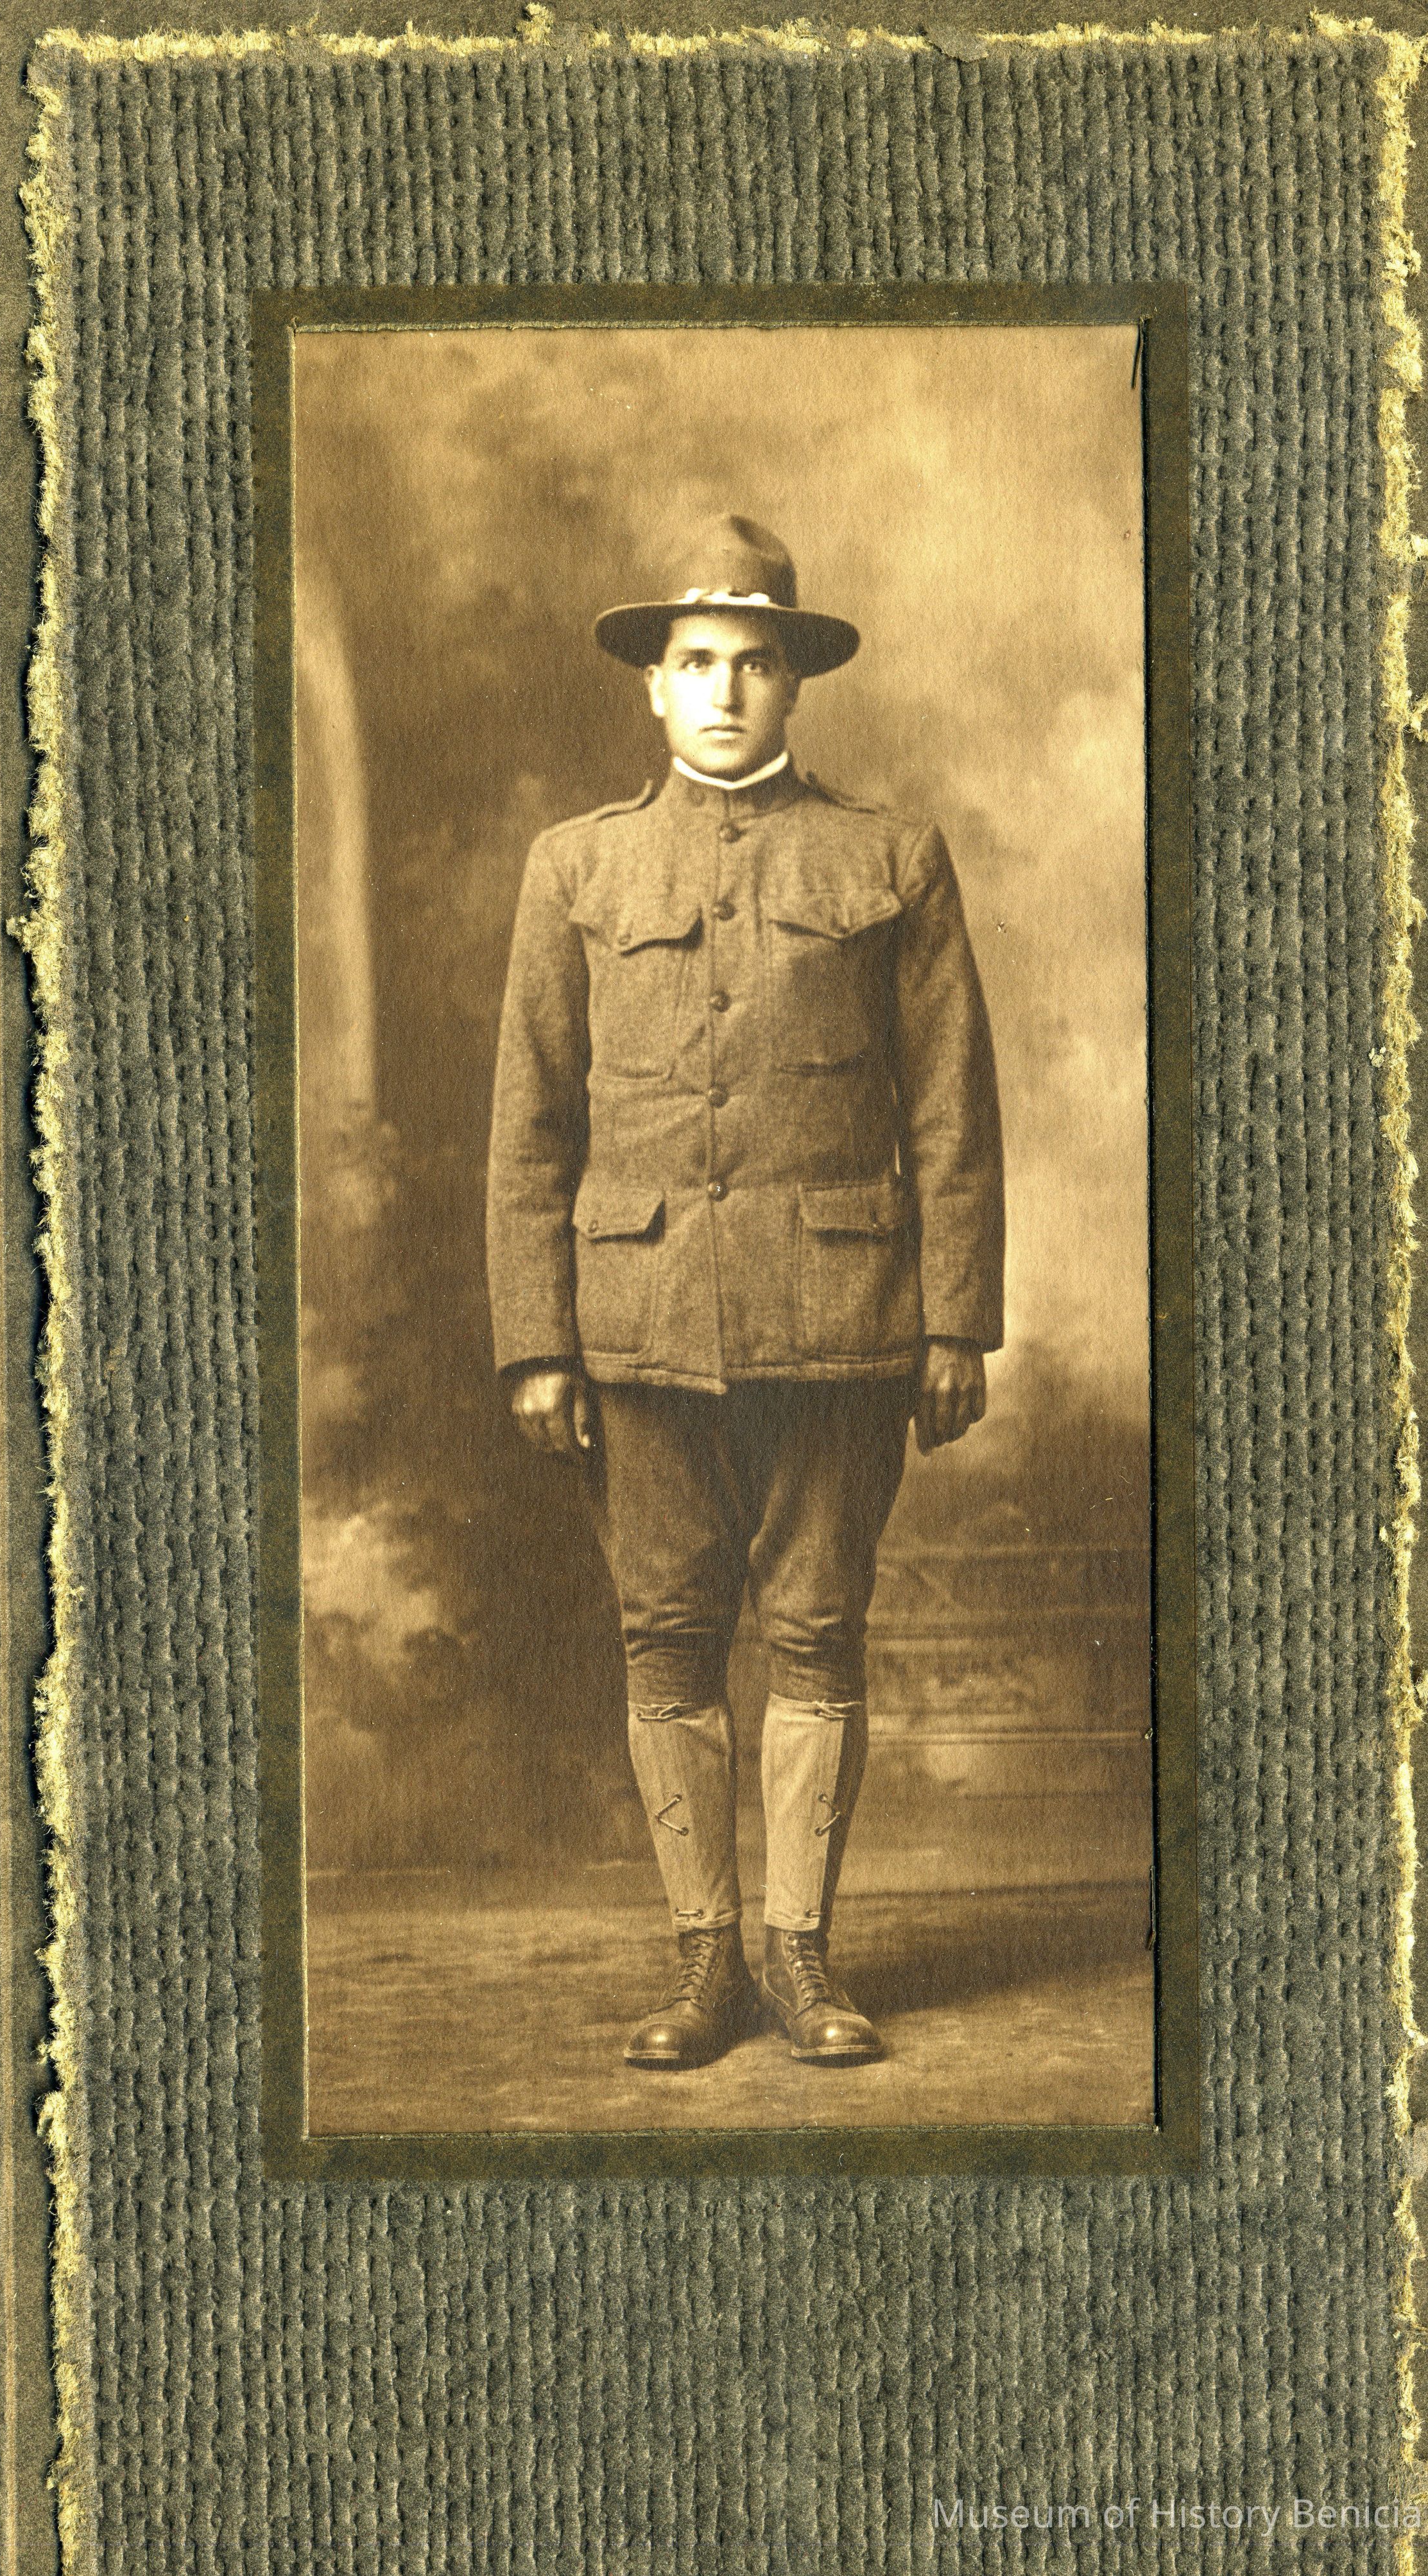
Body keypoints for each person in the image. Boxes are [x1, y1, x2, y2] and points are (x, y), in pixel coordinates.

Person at [486, 513, 1004, 2070]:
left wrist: (956, 1318)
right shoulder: (576, 864)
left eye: (753, 661)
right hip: (637, 1326)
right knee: (665, 1634)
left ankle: (800, 1955)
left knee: (817, 1631)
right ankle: (704, 1961)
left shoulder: (888, 855)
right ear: (652, 684)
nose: (723, 690)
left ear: (796, 682)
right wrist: (537, 1340)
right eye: (695, 660)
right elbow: (531, 1120)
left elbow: (952, 1107)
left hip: (841, 1322)